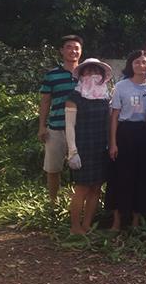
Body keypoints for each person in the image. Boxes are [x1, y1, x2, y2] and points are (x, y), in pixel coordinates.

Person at [107, 51, 146, 231]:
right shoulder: (121, 86)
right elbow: (114, 116)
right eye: (137, 62)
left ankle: (136, 220)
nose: (141, 65)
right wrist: (113, 143)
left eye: (144, 62)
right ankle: (117, 220)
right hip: (125, 133)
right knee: (121, 176)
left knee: (142, 176)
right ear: (131, 64)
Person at [64, 58, 112, 234]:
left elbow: (109, 123)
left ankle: (87, 224)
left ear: (102, 76)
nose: (93, 75)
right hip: (82, 147)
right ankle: (75, 226)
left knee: (96, 187)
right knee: (82, 188)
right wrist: (72, 152)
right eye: (89, 71)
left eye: (96, 72)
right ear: (82, 75)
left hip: (100, 147)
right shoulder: (74, 97)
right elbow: (69, 126)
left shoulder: (105, 96)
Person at [38, 34, 82, 203]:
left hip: (80, 129)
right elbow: (45, 101)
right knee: (53, 168)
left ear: (81, 51)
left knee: (81, 168)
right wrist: (42, 126)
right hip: (56, 127)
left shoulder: (86, 74)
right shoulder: (52, 75)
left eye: (77, 48)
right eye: (69, 47)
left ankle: (77, 201)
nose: (73, 51)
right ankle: (53, 202)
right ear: (62, 51)